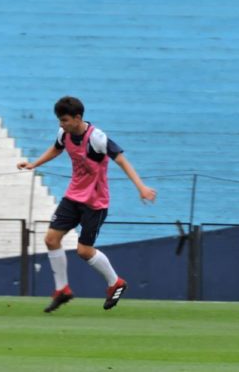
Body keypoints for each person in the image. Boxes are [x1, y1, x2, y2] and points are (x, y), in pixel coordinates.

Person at [17, 96, 156, 312]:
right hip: (73, 197)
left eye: (64, 120)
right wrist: (34, 164)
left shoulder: (97, 138)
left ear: (77, 118)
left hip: (95, 202)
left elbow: (120, 159)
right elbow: (56, 148)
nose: (60, 125)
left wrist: (141, 187)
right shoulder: (64, 134)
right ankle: (62, 290)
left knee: (84, 251)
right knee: (51, 239)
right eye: (59, 120)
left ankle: (115, 283)